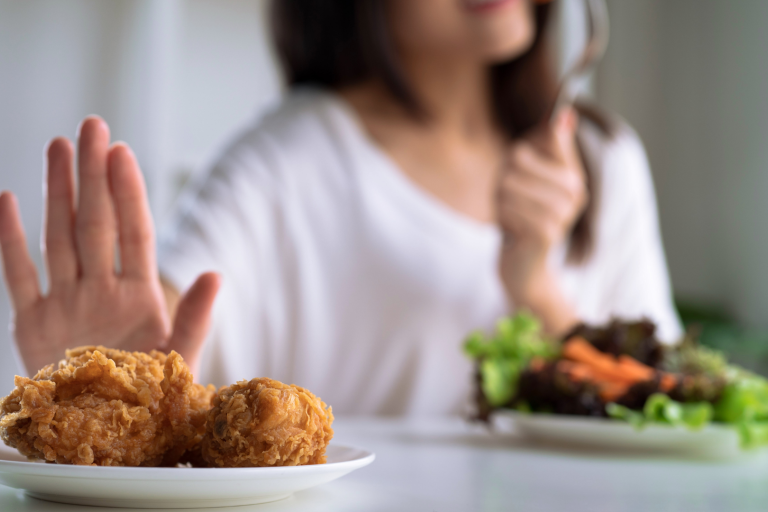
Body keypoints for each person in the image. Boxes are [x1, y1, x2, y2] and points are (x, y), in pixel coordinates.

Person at [0, 0, 680, 416]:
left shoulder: (604, 159)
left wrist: (537, 292)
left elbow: (671, 403)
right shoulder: (281, 164)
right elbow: (161, 329)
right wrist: (105, 380)